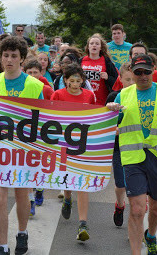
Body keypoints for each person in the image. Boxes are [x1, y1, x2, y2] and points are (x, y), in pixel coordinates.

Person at [106, 54, 157, 255]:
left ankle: (151, 236)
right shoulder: (123, 95)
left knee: (156, 209)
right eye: (138, 72)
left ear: (153, 71)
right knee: (136, 209)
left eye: (147, 72)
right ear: (132, 74)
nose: (143, 76)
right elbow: (109, 124)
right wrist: (109, 111)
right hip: (133, 159)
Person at [0, 36, 44, 255]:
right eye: (5, 55)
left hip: (25, 149)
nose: (9, 60)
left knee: (21, 195)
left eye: (14, 56)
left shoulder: (36, 85)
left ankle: (23, 232)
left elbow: (47, 119)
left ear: (22, 59)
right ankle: (3, 245)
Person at [51, 63, 96, 241]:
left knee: (82, 182)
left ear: (83, 81)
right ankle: (68, 198)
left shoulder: (89, 95)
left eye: (78, 80)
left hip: (83, 145)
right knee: (69, 178)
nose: (75, 84)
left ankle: (83, 224)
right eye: (72, 80)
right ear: (65, 81)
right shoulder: (58, 94)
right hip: (63, 143)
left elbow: (95, 116)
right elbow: (50, 117)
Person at [105, 62, 134, 228]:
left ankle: (136, 217)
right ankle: (120, 204)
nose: (131, 83)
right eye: (127, 79)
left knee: (138, 185)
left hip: (139, 147)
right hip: (118, 147)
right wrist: (114, 127)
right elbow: (105, 124)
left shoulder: (144, 98)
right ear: (121, 79)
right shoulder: (113, 98)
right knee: (121, 184)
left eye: (133, 79)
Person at [81, 33, 118, 106]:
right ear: (88, 47)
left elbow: (117, 81)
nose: (94, 45)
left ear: (101, 47)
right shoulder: (81, 61)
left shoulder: (106, 62)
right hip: (84, 100)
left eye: (97, 44)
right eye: (91, 43)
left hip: (102, 101)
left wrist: (108, 78)